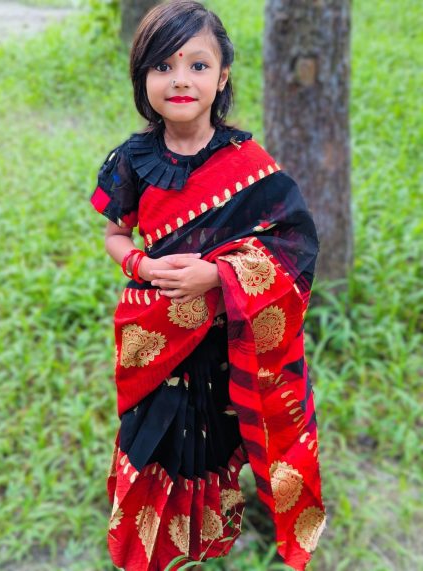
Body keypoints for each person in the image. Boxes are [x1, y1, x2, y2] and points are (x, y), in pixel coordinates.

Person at [89, 1, 326, 570]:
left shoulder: (251, 166)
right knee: (154, 440)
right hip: (156, 340)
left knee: (213, 441)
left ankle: (210, 536)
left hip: (222, 345)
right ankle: (150, 544)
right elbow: (115, 234)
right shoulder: (131, 161)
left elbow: (295, 246)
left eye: (197, 65)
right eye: (163, 66)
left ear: (221, 78)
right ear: (142, 78)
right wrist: (142, 267)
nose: (180, 79)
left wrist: (218, 275)